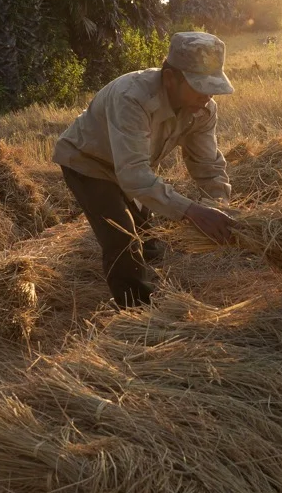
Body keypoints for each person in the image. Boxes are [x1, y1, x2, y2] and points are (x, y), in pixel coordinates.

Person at [53, 31, 235, 307]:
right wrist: (192, 212)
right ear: (170, 78)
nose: (208, 95)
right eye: (199, 86)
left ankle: (154, 282)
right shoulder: (132, 97)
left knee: (148, 237)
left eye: (213, 86)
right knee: (122, 238)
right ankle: (135, 311)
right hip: (89, 161)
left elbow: (207, 165)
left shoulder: (203, 109)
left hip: (133, 164)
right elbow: (134, 176)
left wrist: (218, 207)